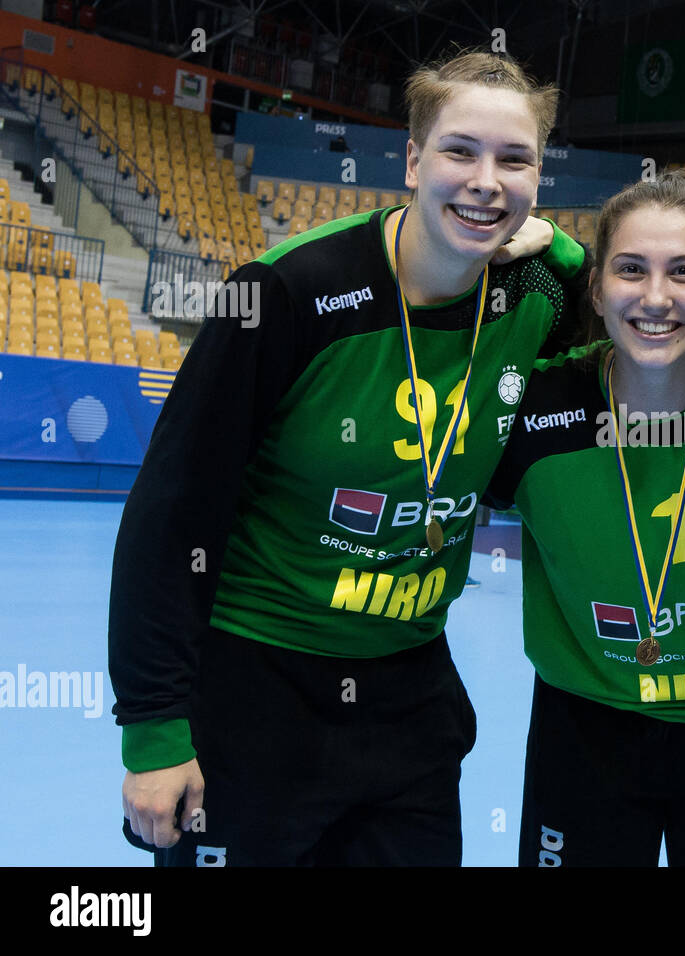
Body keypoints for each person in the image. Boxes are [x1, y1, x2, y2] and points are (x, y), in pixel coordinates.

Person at [109, 50, 585, 866]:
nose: (486, 180)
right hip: (257, 687)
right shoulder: (287, 291)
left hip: (410, 699)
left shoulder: (538, 290)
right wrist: (153, 730)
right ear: (409, 160)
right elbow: (173, 507)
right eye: (459, 151)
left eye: (516, 160)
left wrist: (556, 246)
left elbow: (591, 281)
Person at [487, 171, 685, 866]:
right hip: (584, 729)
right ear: (596, 289)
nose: (656, 298)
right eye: (631, 270)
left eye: (684, 273)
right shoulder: (536, 410)